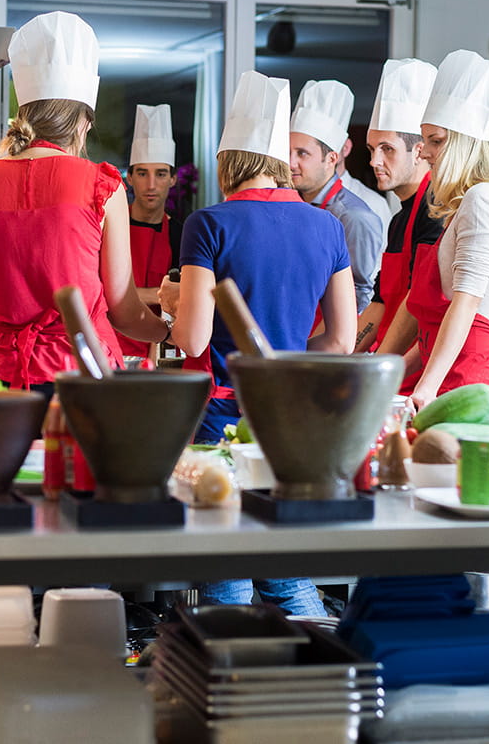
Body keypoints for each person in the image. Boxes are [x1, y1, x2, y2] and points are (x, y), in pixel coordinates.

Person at [159, 71, 353, 615]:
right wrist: (284, 361)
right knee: (286, 572)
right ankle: (320, 679)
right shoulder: (326, 227)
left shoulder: (208, 223)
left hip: (222, 419)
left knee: (226, 576)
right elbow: (341, 340)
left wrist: (174, 304)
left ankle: (222, 686)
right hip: (293, 420)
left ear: (228, 163)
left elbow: (193, 338)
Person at [0, 11, 168, 390]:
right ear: (83, 122)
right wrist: (168, 332)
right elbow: (123, 310)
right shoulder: (102, 185)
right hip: (81, 375)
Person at [378, 50, 489, 423]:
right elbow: (439, 319)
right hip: (467, 369)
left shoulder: (482, 200)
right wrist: (396, 372)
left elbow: (466, 305)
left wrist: (426, 387)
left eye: (435, 141)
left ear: (463, 143)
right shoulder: (472, 199)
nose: (425, 152)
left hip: (483, 380)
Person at [356, 58, 446, 397]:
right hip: (395, 374)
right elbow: (380, 302)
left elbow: (416, 302)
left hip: (418, 379)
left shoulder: (435, 210)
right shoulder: (398, 220)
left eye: (387, 149)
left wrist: (379, 365)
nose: (374, 161)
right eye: (371, 149)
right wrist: (342, 357)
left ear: (419, 150)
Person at [289, 80, 384, 312]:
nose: (291, 163)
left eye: (302, 154)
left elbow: (359, 297)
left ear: (332, 159)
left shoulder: (354, 216)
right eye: (288, 151)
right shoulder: (292, 204)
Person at [117, 103, 181, 359]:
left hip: (156, 348)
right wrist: (156, 294)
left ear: (173, 179)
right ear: (129, 178)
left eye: (161, 174)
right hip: (108, 346)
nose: (151, 185)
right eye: (142, 173)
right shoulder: (109, 227)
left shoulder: (180, 233)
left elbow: (181, 299)